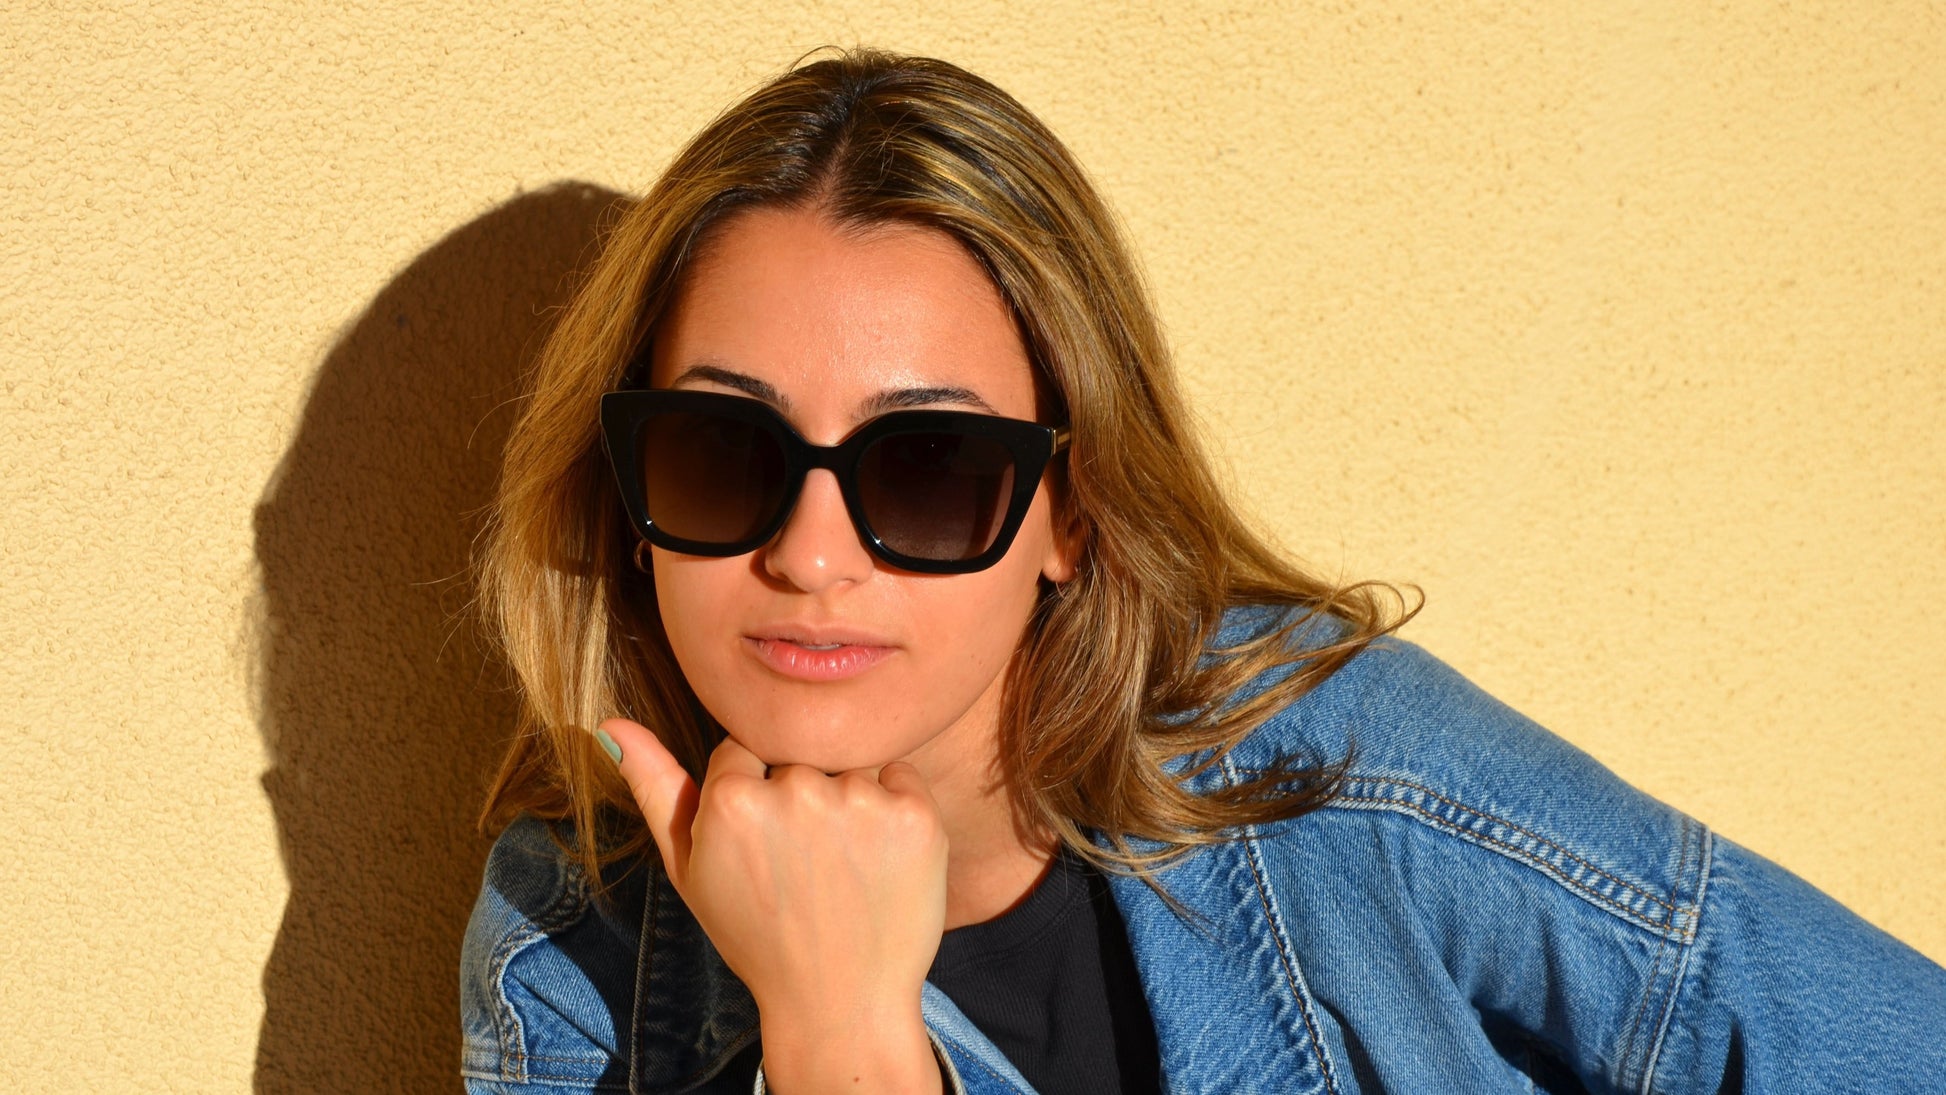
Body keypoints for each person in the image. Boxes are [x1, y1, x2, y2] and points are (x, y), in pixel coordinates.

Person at [458, 49, 1946, 1094]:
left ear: (1073, 514)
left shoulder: (1336, 772)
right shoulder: (569, 947)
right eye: (726, 454)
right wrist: (834, 1033)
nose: (808, 553)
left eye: (927, 470)